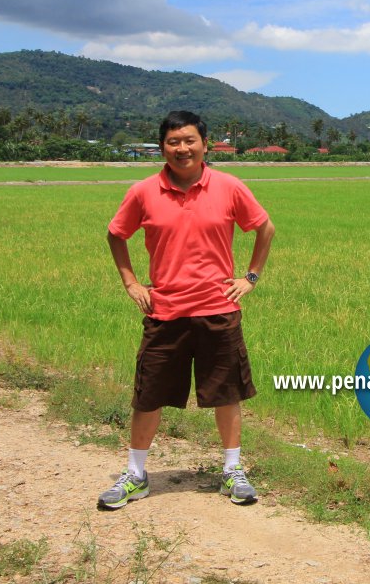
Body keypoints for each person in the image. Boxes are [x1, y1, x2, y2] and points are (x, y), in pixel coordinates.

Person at [97, 110, 275, 510]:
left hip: (217, 309)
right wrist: (130, 282)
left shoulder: (228, 187)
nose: (182, 148)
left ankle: (233, 471)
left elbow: (265, 228)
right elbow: (115, 234)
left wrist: (250, 277)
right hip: (165, 311)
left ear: (205, 145)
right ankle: (136, 475)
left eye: (189, 140)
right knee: (149, 395)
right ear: (162, 147)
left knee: (226, 393)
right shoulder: (143, 192)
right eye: (173, 142)